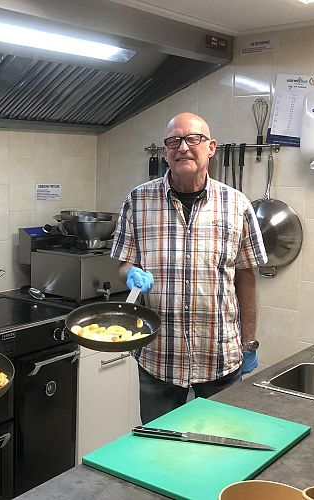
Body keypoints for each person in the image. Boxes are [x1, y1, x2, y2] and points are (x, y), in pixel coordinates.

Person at [111, 112, 267, 424]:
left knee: (222, 449)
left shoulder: (237, 205)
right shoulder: (138, 201)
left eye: (191, 139)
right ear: (165, 151)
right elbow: (124, 261)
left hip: (220, 357)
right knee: (160, 452)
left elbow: (246, 277)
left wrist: (249, 342)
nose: (182, 147)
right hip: (159, 357)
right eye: (173, 141)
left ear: (211, 147)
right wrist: (130, 273)